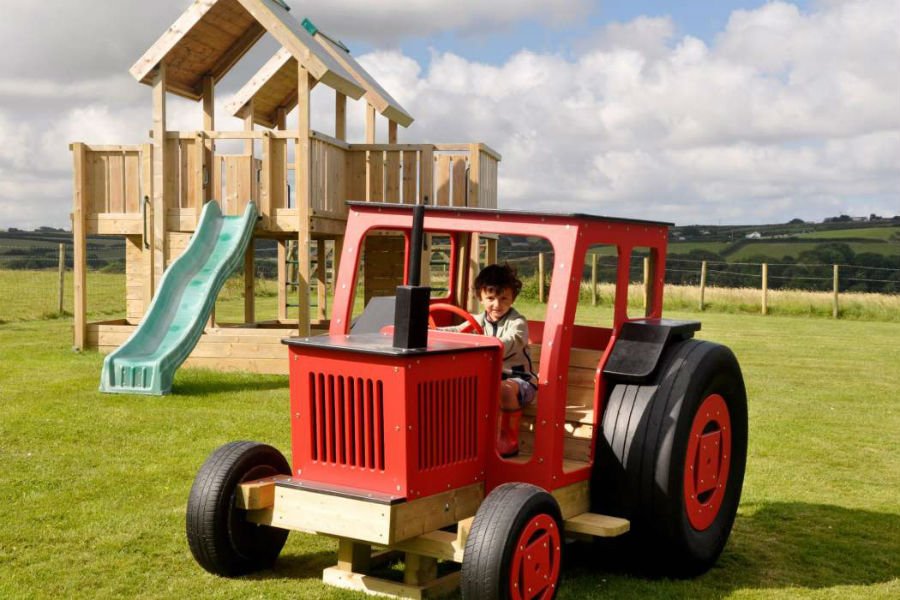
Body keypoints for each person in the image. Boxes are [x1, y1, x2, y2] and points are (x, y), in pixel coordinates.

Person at [450, 264, 537, 457]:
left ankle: (508, 440)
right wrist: (430, 331)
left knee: (504, 389)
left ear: (512, 298)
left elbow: (510, 342)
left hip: (520, 382)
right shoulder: (478, 320)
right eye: (490, 298)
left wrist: (482, 345)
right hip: (489, 380)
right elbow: (456, 332)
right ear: (480, 297)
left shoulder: (518, 323)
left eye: (503, 298)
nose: (497, 305)